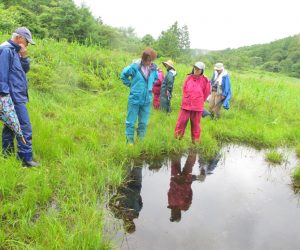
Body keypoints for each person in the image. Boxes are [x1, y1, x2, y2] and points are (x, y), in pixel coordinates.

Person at [0, 27, 39, 167]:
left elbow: (24, 71)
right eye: (27, 41)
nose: (27, 44)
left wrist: (24, 57)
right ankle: (25, 159)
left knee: (10, 126)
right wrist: (4, 97)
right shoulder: (6, 50)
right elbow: (1, 74)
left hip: (16, 95)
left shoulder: (15, 51)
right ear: (19, 38)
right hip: (12, 97)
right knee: (24, 127)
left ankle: (6, 156)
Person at [120, 48, 158, 145]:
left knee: (143, 123)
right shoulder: (134, 67)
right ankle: (130, 142)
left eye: (151, 60)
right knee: (131, 122)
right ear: (143, 58)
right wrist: (131, 85)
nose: (149, 62)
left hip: (147, 100)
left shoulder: (153, 69)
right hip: (135, 98)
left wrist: (150, 87)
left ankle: (140, 142)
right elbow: (123, 75)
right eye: (147, 60)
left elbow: (155, 79)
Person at [174, 62, 211, 144]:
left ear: (202, 70)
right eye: (195, 68)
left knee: (195, 125)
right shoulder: (188, 77)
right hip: (186, 105)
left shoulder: (205, 80)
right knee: (181, 123)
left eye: (198, 69)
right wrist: (188, 98)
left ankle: (195, 142)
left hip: (197, 107)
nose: (196, 70)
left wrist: (198, 100)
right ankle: (177, 140)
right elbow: (184, 89)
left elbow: (206, 93)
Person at [109, 167, 143, 233]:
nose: (130, 223)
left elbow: (109, 204)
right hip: (137, 185)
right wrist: (137, 195)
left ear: (124, 225)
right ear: (133, 224)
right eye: (132, 225)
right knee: (138, 165)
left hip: (124, 185)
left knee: (126, 164)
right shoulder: (136, 213)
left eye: (128, 225)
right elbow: (140, 201)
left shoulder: (118, 214)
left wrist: (117, 196)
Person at [167, 153, 196, 222]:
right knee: (189, 164)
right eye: (174, 215)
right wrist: (188, 183)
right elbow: (190, 195)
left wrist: (174, 182)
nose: (172, 213)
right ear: (179, 214)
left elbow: (169, 192)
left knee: (174, 163)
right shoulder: (185, 206)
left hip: (175, 179)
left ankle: (177, 148)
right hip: (185, 181)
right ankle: (194, 149)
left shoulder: (170, 203)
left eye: (172, 215)